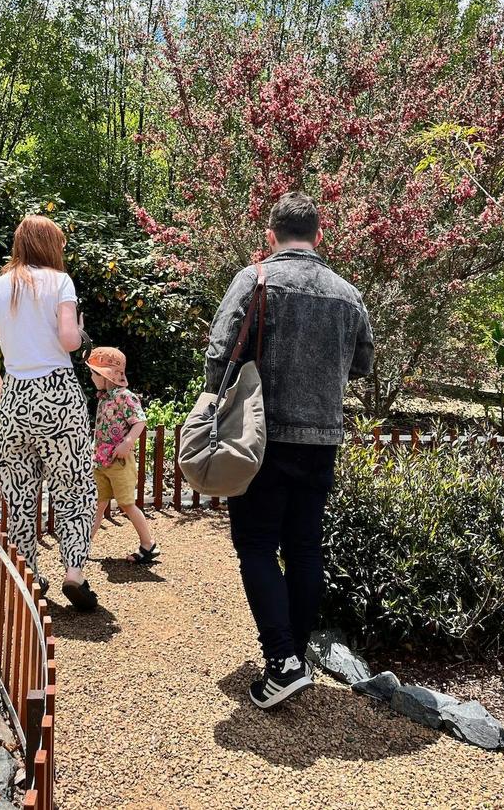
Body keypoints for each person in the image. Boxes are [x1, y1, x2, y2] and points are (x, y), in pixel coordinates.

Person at [206, 191, 374, 710]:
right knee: (303, 547)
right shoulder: (347, 294)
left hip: (259, 438)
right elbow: (363, 364)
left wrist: (221, 405)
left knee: (256, 545)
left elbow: (218, 354)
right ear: (320, 236)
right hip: (321, 440)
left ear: (270, 234)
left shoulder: (254, 279)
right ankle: (294, 656)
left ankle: (282, 660)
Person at [0, 215, 99, 611]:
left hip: (15, 397)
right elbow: (67, 340)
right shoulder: (60, 282)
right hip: (58, 394)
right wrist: (79, 332)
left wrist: (4, 395)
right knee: (75, 486)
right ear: (49, 246)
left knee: (20, 493)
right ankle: (74, 572)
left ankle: (28, 573)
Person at [86, 346, 160, 564]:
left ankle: (148, 545)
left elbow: (140, 420)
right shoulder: (104, 397)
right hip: (101, 461)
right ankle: (82, 547)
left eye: (94, 373)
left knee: (127, 504)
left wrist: (128, 442)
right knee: (98, 504)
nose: (91, 377)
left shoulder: (124, 397)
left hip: (119, 462)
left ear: (105, 374)